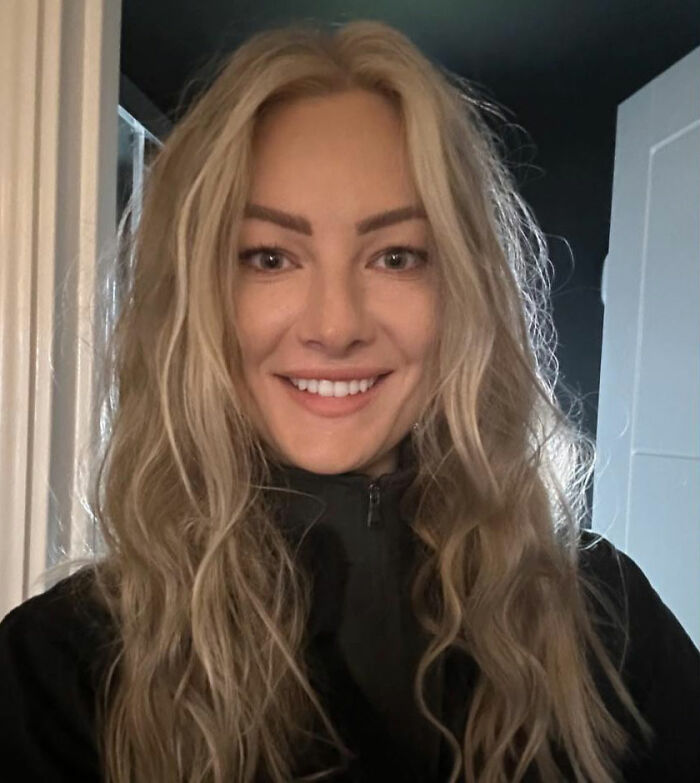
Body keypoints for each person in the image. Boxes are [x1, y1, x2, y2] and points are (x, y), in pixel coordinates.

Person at [0, 18, 698, 783]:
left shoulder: (607, 618)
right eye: (269, 257)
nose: (335, 325)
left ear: (461, 290)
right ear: (193, 295)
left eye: (395, 256)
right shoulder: (55, 666)